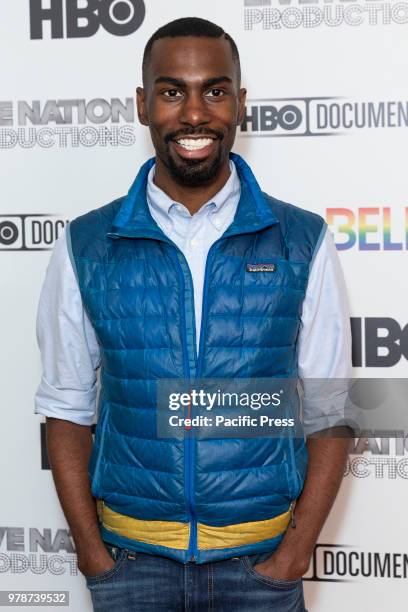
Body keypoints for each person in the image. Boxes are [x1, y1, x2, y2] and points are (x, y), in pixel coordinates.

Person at [34, 17, 352, 612]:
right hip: (130, 568)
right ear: (142, 105)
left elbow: (332, 411)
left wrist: (293, 556)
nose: (194, 113)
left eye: (215, 89)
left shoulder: (301, 239)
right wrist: (92, 555)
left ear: (240, 103)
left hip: (261, 568)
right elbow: (66, 408)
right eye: (172, 91)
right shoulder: (86, 243)